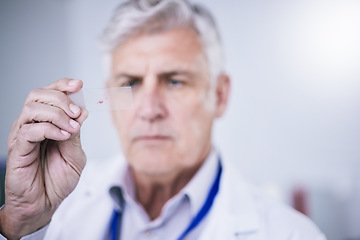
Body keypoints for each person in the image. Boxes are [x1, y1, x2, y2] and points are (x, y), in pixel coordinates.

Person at [0, 0, 326, 239]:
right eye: (130, 83)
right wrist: (18, 221)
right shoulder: (63, 205)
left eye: (174, 81)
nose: (149, 108)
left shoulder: (290, 233)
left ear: (220, 95)